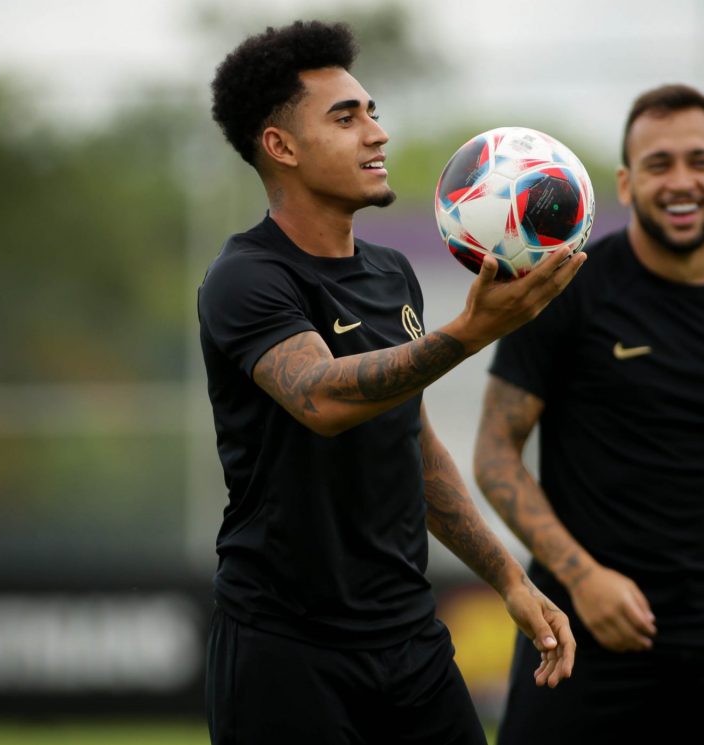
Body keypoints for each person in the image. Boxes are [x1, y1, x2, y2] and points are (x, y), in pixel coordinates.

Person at [197, 20, 584, 745]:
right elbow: (323, 397)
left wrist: (509, 578)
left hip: (410, 641)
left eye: (372, 111)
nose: (376, 132)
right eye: (346, 118)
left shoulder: (390, 274)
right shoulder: (246, 277)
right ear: (280, 146)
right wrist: (469, 333)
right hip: (286, 650)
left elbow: (413, 445)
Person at [474, 83, 704, 743]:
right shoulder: (565, 286)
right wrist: (582, 576)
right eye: (658, 164)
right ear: (625, 185)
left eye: (699, 161)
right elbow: (494, 453)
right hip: (573, 646)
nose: (680, 181)